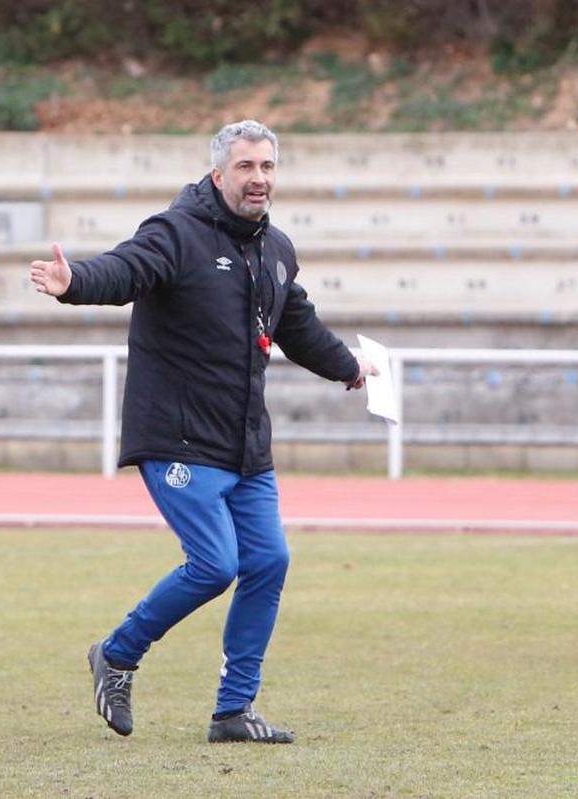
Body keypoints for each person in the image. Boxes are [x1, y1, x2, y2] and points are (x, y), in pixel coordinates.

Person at [29, 120, 377, 741]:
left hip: (245, 445)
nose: (259, 178)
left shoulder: (276, 249)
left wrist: (349, 368)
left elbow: (296, 323)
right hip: (177, 437)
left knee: (269, 561)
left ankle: (233, 712)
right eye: (245, 167)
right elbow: (126, 269)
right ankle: (117, 652)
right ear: (218, 176)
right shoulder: (176, 233)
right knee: (216, 564)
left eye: (267, 167)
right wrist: (74, 282)